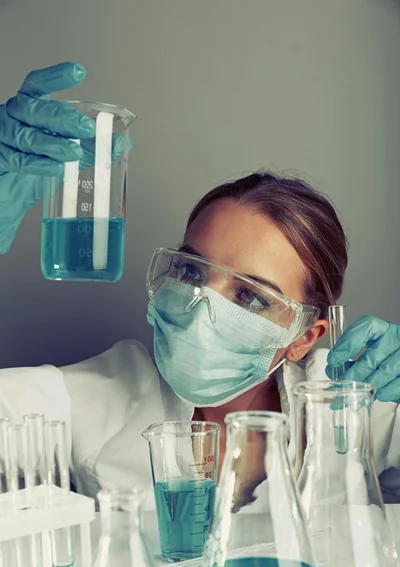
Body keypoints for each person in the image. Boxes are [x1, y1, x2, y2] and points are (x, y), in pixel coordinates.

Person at [0, 62, 400, 502]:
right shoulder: (109, 394)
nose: (201, 306)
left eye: (249, 295)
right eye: (191, 271)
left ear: (305, 337)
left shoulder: (354, 402)